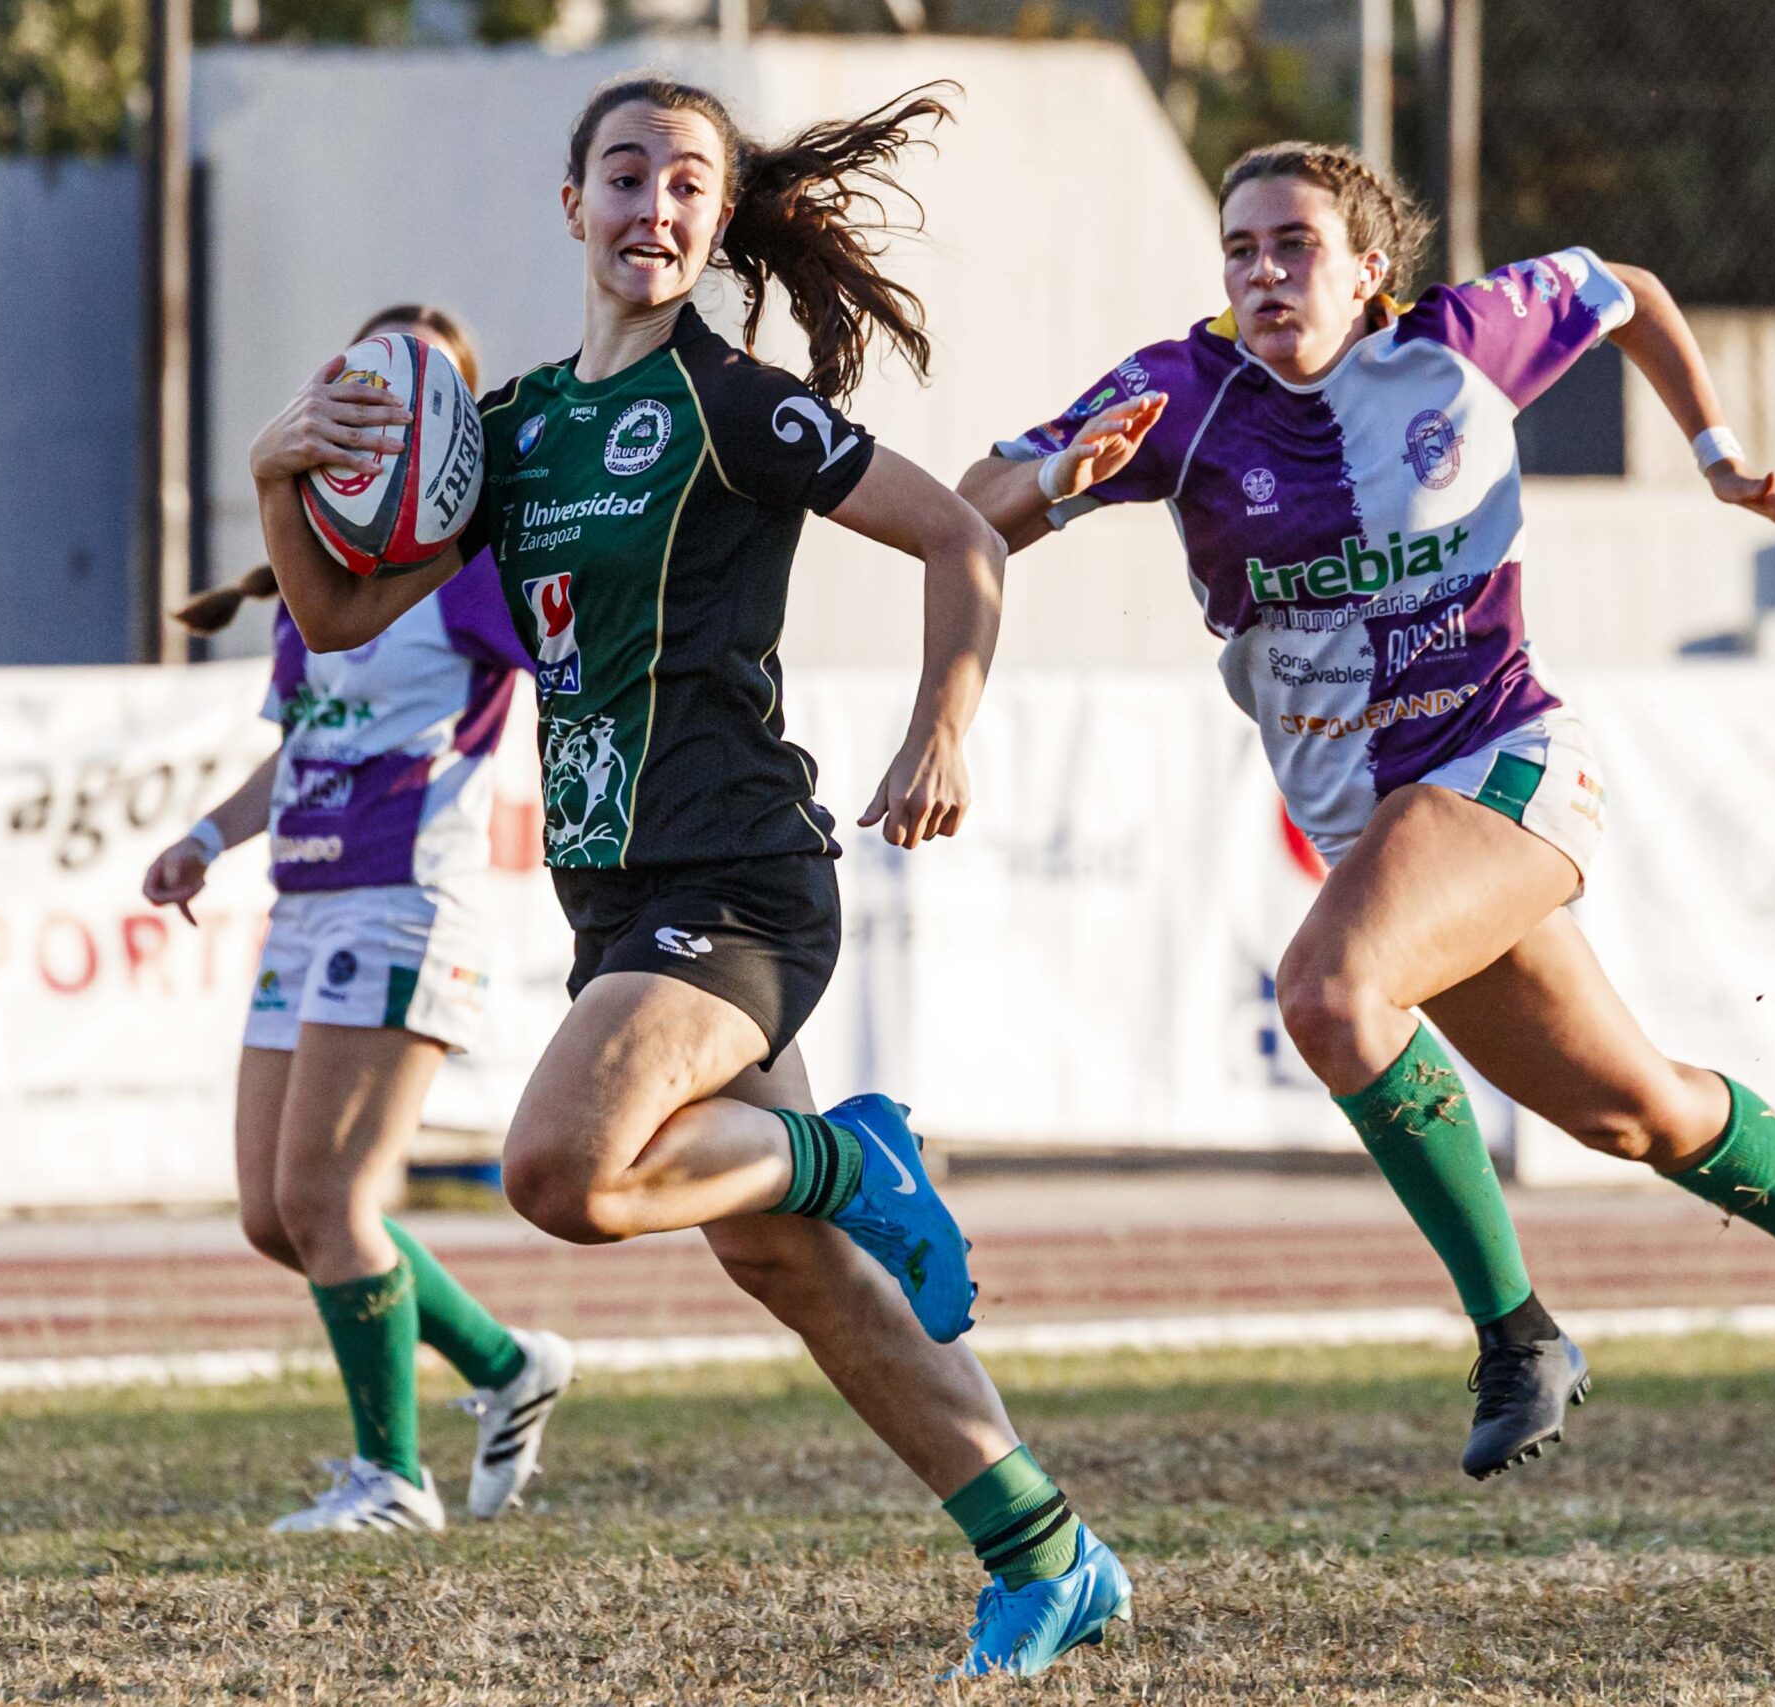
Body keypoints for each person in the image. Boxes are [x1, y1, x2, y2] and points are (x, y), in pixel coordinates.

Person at [242, 79, 1127, 1677]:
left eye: (688, 183)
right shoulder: (507, 430)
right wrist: (271, 478)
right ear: (569, 201)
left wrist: (943, 727)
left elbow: (959, 538)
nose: (654, 203)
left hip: (739, 876)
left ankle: (846, 1155)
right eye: (626, 172)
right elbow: (347, 619)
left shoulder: (733, 403)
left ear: (718, 223)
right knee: (790, 1265)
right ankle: (1044, 1549)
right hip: (616, 898)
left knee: (562, 1174)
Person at [959, 142, 1775, 1478]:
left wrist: (1721, 459)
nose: (1262, 274)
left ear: (1369, 270)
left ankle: (1519, 1333)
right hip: (1383, 825)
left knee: (1329, 991)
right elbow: (969, 515)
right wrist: (1061, 482)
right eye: (1239, 251)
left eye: (1294, 246)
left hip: (1513, 758)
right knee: (1636, 1113)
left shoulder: (1463, 340)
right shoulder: (1179, 390)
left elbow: (1631, 288)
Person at [146, 306, 576, 1533]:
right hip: (307, 903)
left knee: (331, 1205)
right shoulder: (307, 586)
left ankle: (393, 1479)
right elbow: (299, 754)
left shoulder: (474, 580)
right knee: (277, 1216)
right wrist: (202, 839)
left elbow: (578, 651)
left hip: (406, 900)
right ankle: (505, 1366)